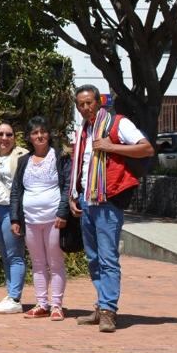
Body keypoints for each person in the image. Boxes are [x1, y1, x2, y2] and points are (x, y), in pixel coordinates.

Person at [69, 85, 153, 333]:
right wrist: (74, 194)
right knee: (93, 258)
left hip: (108, 200)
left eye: (89, 103)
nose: (86, 108)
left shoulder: (118, 124)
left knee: (107, 259)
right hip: (87, 200)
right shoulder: (84, 130)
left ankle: (108, 310)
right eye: (81, 104)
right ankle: (101, 304)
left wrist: (111, 147)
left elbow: (146, 148)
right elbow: (81, 166)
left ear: (99, 102)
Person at [11, 116, 72, 320]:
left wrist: (63, 213)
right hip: (30, 220)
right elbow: (16, 191)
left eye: (42, 131)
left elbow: (67, 186)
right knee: (37, 263)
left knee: (55, 263)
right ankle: (41, 303)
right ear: (29, 137)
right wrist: (15, 218)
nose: (39, 136)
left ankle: (56, 305)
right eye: (35, 133)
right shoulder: (23, 161)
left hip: (53, 219)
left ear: (48, 133)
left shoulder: (60, 157)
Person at [0, 122, 28, 314]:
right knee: (4, 254)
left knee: (15, 254)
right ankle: (10, 293)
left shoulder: (22, 155)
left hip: (11, 209)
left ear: (14, 137)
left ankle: (15, 297)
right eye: (0, 134)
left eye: (8, 134)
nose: (4, 138)